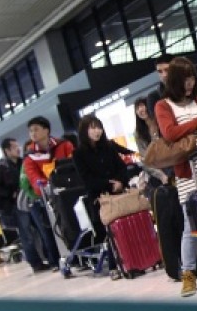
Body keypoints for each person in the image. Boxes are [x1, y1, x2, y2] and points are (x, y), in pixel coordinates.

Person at [153, 57, 197, 297]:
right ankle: (188, 274)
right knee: (190, 223)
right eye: (184, 79)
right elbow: (170, 133)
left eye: (192, 77)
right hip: (187, 171)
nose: (189, 83)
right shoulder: (163, 106)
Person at [20, 115, 73, 271]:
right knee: (52, 230)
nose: (33, 133)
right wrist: (46, 187)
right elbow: (34, 178)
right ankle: (59, 259)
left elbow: (73, 162)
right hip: (49, 197)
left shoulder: (64, 145)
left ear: (46, 130)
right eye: (30, 131)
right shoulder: (30, 157)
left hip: (70, 190)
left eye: (36, 129)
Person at [0, 138, 46, 272]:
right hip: (15, 205)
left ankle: (43, 257)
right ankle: (35, 263)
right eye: (14, 147)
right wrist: (9, 193)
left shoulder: (21, 162)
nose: (18, 148)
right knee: (26, 234)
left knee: (37, 231)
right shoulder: (1, 167)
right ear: (7, 151)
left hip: (28, 200)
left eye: (17, 146)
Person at [72, 114, 130, 247]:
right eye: (92, 128)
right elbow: (87, 179)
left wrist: (120, 182)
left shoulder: (108, 146)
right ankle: (114, 263)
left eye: (99, 127)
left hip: (119, 193)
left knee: (125, 228)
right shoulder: (79, 153)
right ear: (84, 130)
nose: (97, 131)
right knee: (110, 235)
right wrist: (110, 184)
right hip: (99, 198)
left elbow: (121, 167)